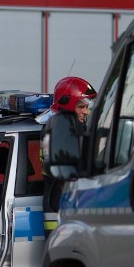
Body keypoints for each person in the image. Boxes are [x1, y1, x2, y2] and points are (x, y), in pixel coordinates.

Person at [39, 76, 97, 237]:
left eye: (87, 107)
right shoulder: (58, 132)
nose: (85, 112)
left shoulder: (72, 129)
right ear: (69, 105)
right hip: (59, 209)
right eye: (81, 107)